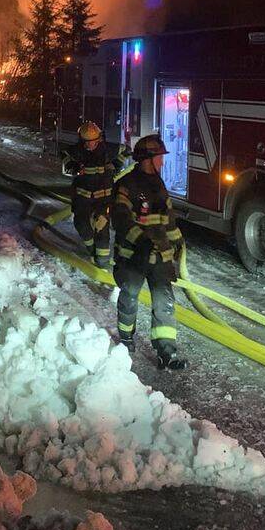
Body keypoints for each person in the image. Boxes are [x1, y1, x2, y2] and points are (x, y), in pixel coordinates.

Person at [112, 134, 188, 371]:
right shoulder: (127, 185)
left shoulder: (159, 185)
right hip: (135, 254)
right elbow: (121, 219)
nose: (163, 162)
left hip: (159, 255)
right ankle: (126, 338)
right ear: (147, 159)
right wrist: (141, 241)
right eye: (159, 157)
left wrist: (177, 244)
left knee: (165, 301)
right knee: (130, 295)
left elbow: (168, 219)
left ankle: (167, 352)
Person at [62, 121, 132, 270]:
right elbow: (64, 155)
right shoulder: (77, 151)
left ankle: (102, 261)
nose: (90, 145)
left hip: (103, 198)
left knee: (102, 225)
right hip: (82, 197)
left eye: (93, 141)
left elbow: (126, 150)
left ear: (99, 139)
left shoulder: (108, 149)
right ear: (81, 140)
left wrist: (116, 166)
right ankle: (91, 249)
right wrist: (73, 167)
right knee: (81, 224)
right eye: (86, 142)